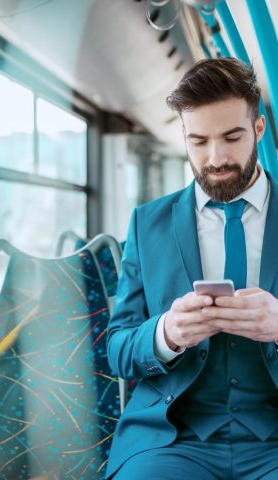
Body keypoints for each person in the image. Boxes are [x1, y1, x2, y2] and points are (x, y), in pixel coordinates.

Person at [105, 57, 278, 480]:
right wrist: (166, 334)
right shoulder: (148, 224)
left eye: (232, 137)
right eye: (199, 141)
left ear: (258, 129)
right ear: (183, 135)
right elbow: (117, 349)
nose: (216, 158)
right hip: (172, 440)